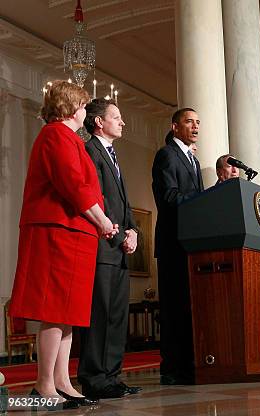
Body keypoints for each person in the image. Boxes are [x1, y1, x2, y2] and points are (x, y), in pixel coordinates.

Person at [8, 80, 118, 409]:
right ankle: (44, 385)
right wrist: (102, 220)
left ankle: (62, 382)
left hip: (74, 233)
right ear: (71, 107)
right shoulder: (55, 134)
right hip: (59, 232)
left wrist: (99, 221)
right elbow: (73, 184)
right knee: (55, 311)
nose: (86, 111)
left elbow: (82, 187)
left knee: (68, 313)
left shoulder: (69, 138)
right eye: (83, 106)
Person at [78, 99, 142, 399]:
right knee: (100, 315)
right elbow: (97, 199)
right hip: (102, 248)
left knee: (117, 317)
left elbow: (123, 205)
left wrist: (133, 231)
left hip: (119, 249)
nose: (123, 122)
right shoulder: (90, 151)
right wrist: (118, 236)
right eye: (117, 117)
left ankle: (112, 377)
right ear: (99, 122)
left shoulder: (113, 155)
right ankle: (94, 379)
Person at [152, 108, 204, 385]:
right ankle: (172, 369)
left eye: (198, 122)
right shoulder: (167, 155)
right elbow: (169, 197)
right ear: (175, 126)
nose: (195, 126)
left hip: (192, 243)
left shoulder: (192, 160)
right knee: (174, 309)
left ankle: (189, 363)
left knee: (189, 307)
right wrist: (204, 198)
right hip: (174, 243)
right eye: (189, 121)